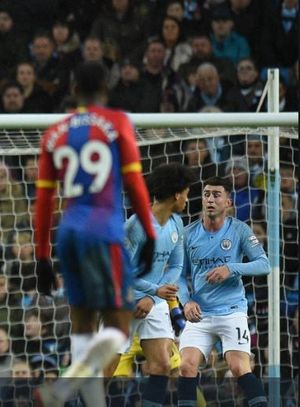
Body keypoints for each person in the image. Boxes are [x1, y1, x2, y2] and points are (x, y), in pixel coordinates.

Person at [33, 61, 156, 405]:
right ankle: (61, 389)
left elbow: (44, 201)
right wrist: (149, 231)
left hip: (68, 232)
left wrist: (41, 256)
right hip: (104, 231)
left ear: (73, 90)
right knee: (118, 328)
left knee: (83, 327)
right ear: (106, 88)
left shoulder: (55, 132)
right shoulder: (117, 123)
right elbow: (134, 182)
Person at [177, 176, 270, 407]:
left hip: (232, 311)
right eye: (207, 194)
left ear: (228, 202)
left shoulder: (239, 230)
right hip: (200, 314)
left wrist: (231, 268)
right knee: (186, 366)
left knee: (238, 366)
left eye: (216, 195)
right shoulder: (188, 234)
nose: (210, 199)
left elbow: (264, 264)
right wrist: (186, 301)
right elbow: (177, 274)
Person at [110, 163, 195, 406]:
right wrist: (149, 292)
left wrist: (153, 296)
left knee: (162, 365)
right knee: (106, 371)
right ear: (177, 194)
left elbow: (177, 266)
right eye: (187, 193)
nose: (187, 200)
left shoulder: (177, 224)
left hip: (153, 301)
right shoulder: (136, 227)